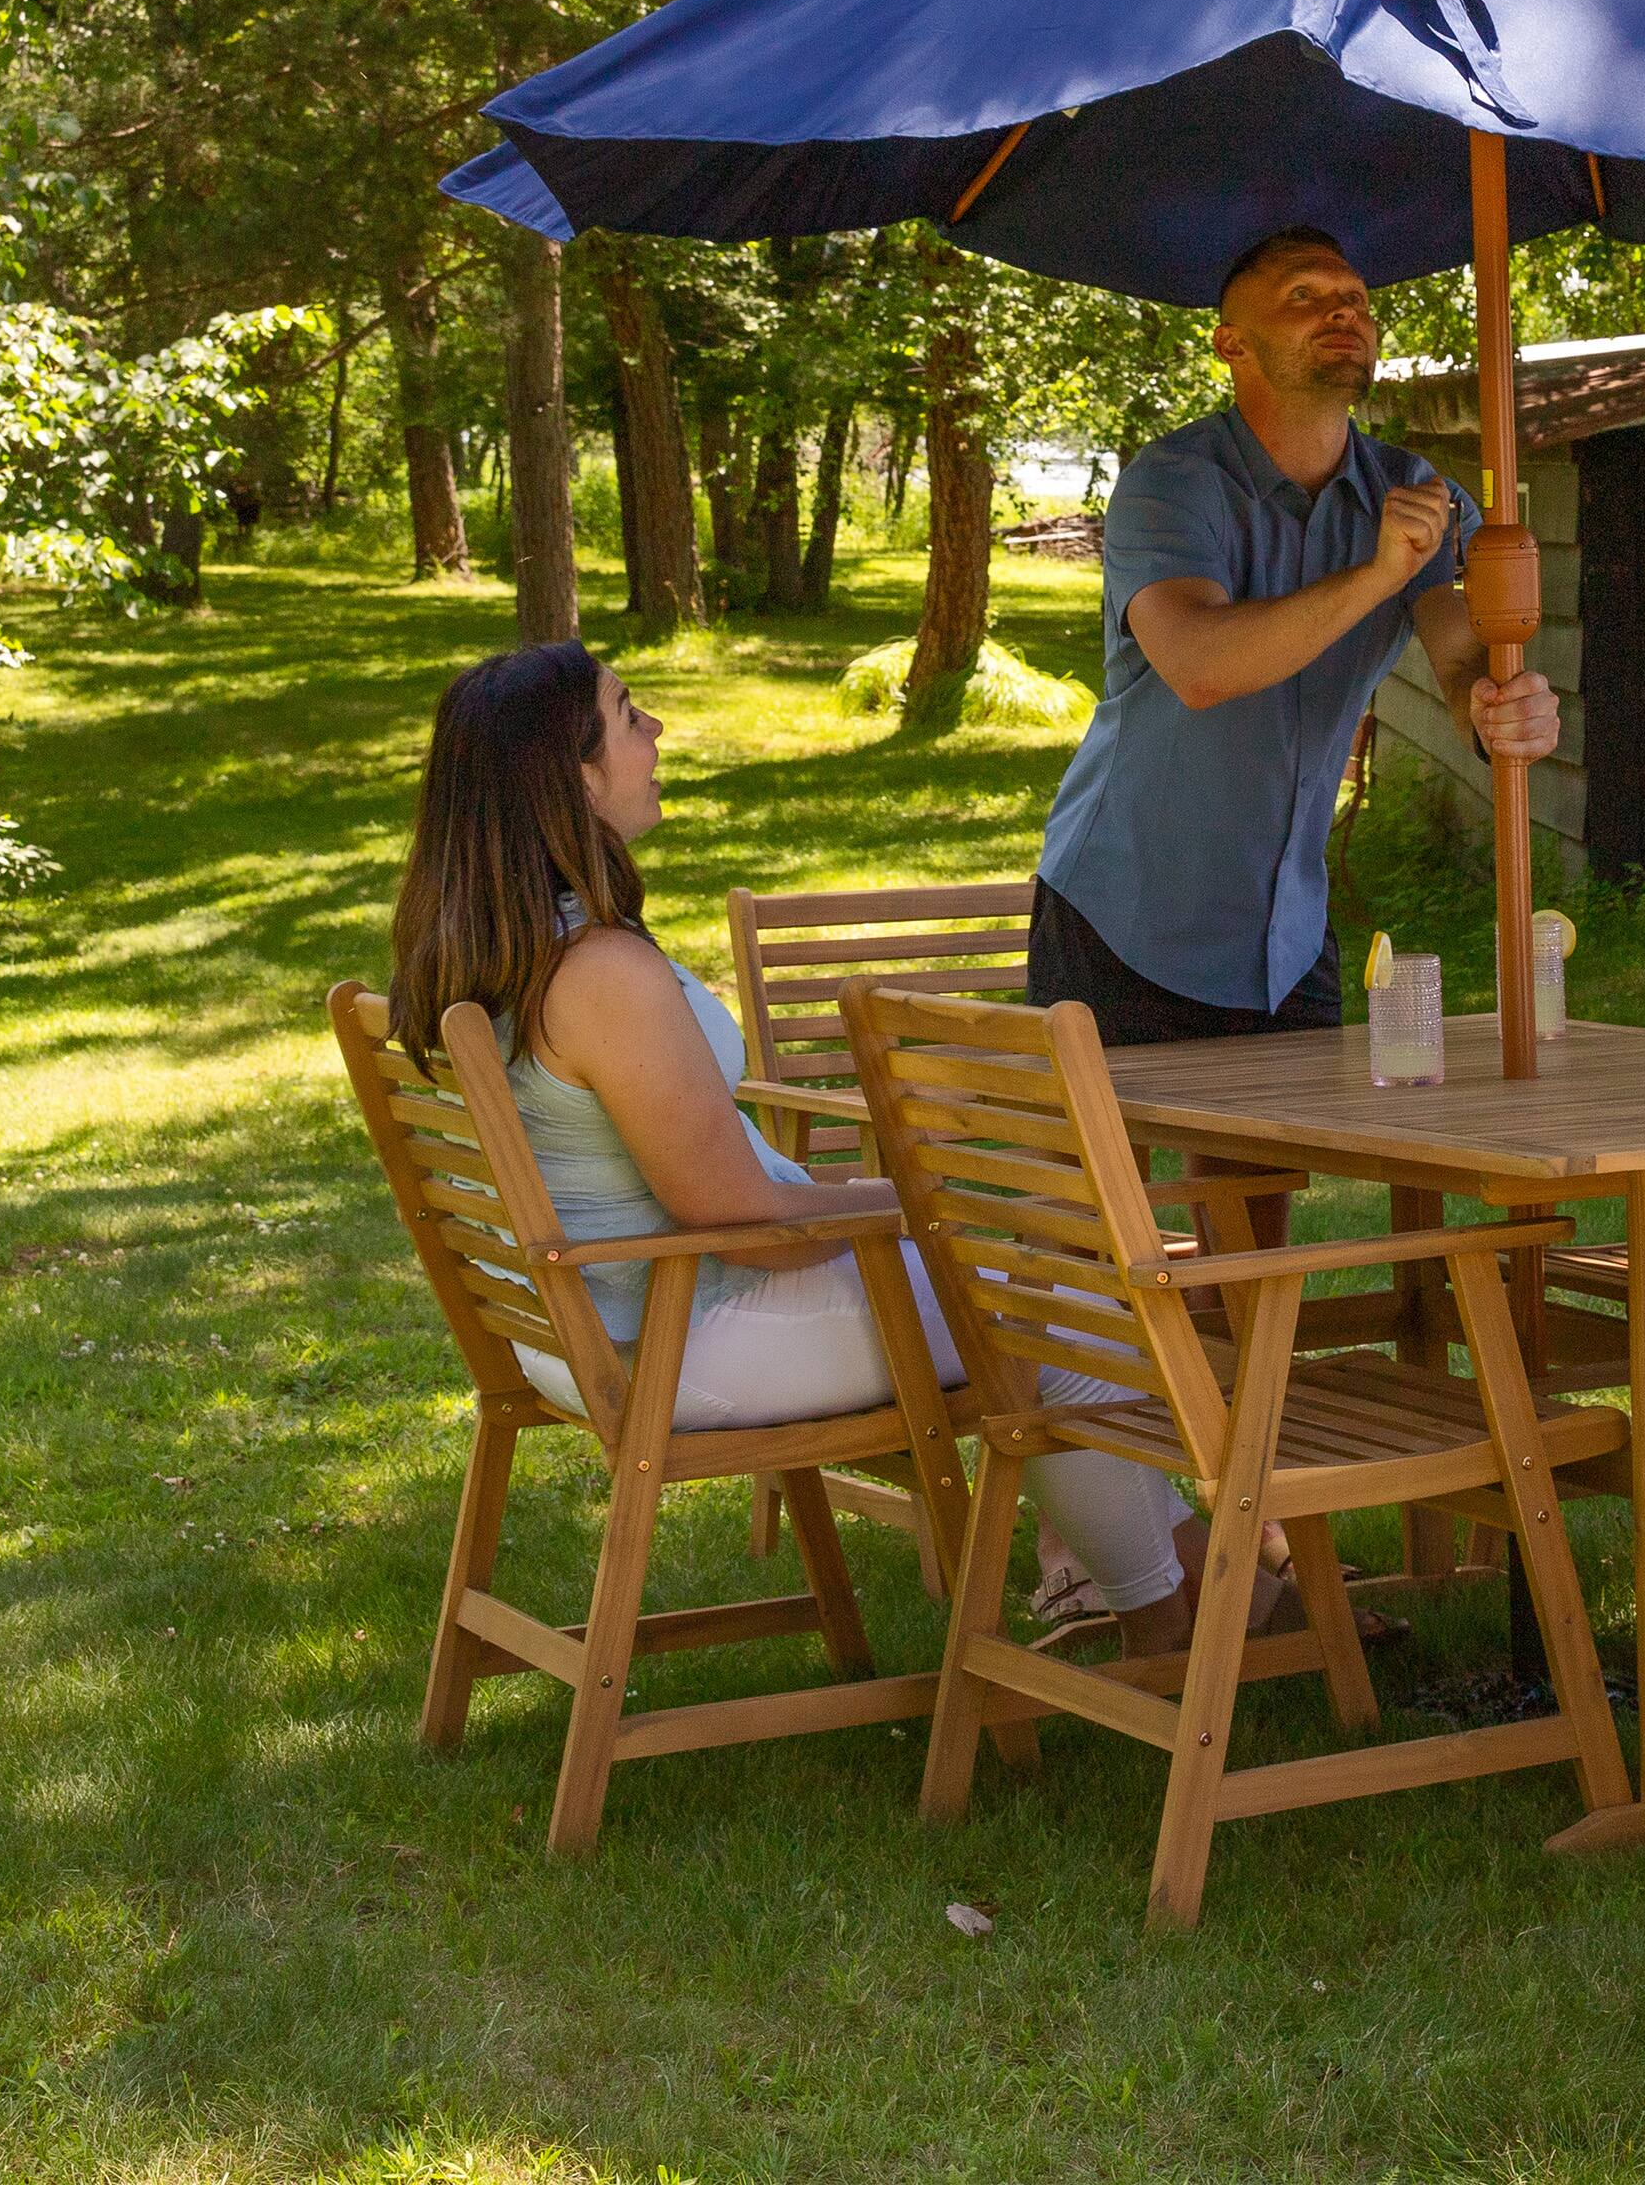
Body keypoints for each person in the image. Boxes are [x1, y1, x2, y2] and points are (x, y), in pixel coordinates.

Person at [388, 640, 1291, 1657]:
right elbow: (737, 1217)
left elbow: (733, 1189)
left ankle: (1204, 1588)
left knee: (1049, 1273)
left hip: (591, 1331)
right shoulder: (598, 975)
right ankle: (1185, 1614)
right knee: (1065, 1312)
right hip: (682, 1336)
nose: (657, 734)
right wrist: (931, 1215)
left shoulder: (510, 953)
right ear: (573, 774)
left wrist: (912, 1201)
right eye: (630, 715)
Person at [1029, 222, 1559, 1040]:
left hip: (1286, 930)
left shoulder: (1412, 490)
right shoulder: (1171, 483)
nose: (1341, 311)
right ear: (1231, 344)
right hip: (1125, 911)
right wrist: (1376, 572)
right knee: (1106, 1171)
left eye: (1355, 299)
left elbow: (1458, 654)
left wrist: (1495, 709)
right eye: (1304, 297)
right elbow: (1200, 666)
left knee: (1266, 1171)